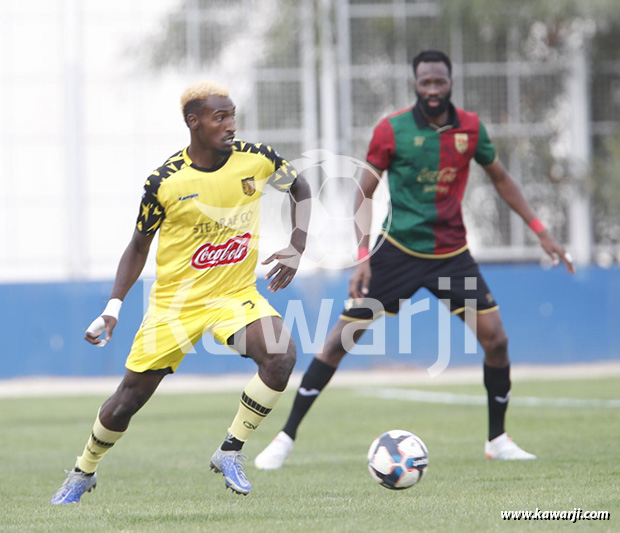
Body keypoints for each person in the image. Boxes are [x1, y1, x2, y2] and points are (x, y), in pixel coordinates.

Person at [254, 49, 575, 470]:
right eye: (425, 83)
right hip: (396, 253)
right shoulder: (392, 131)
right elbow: (362, 194)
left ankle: (498, 438)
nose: (433, 90)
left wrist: (542, 231)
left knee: (496, 339)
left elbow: (502, 179)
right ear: (415, 85)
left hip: (452, 255)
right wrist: (363, 256)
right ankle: (284, 439)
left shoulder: (471, 129)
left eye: (440, 82)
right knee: (337, 342)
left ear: (451, 82)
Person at [50, 81, 311, 504]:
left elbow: (300, 187)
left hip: (234, 296)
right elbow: (138, 246)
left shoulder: (257, 159)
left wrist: (297, 245)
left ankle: (230, 451)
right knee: (125, 402)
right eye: (219, 117)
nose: (229, 125)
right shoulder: (165, 182)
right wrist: (113, 307)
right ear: (194, 122)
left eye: (231, 115)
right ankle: (84, 470)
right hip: (175, 307)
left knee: (281, 355)